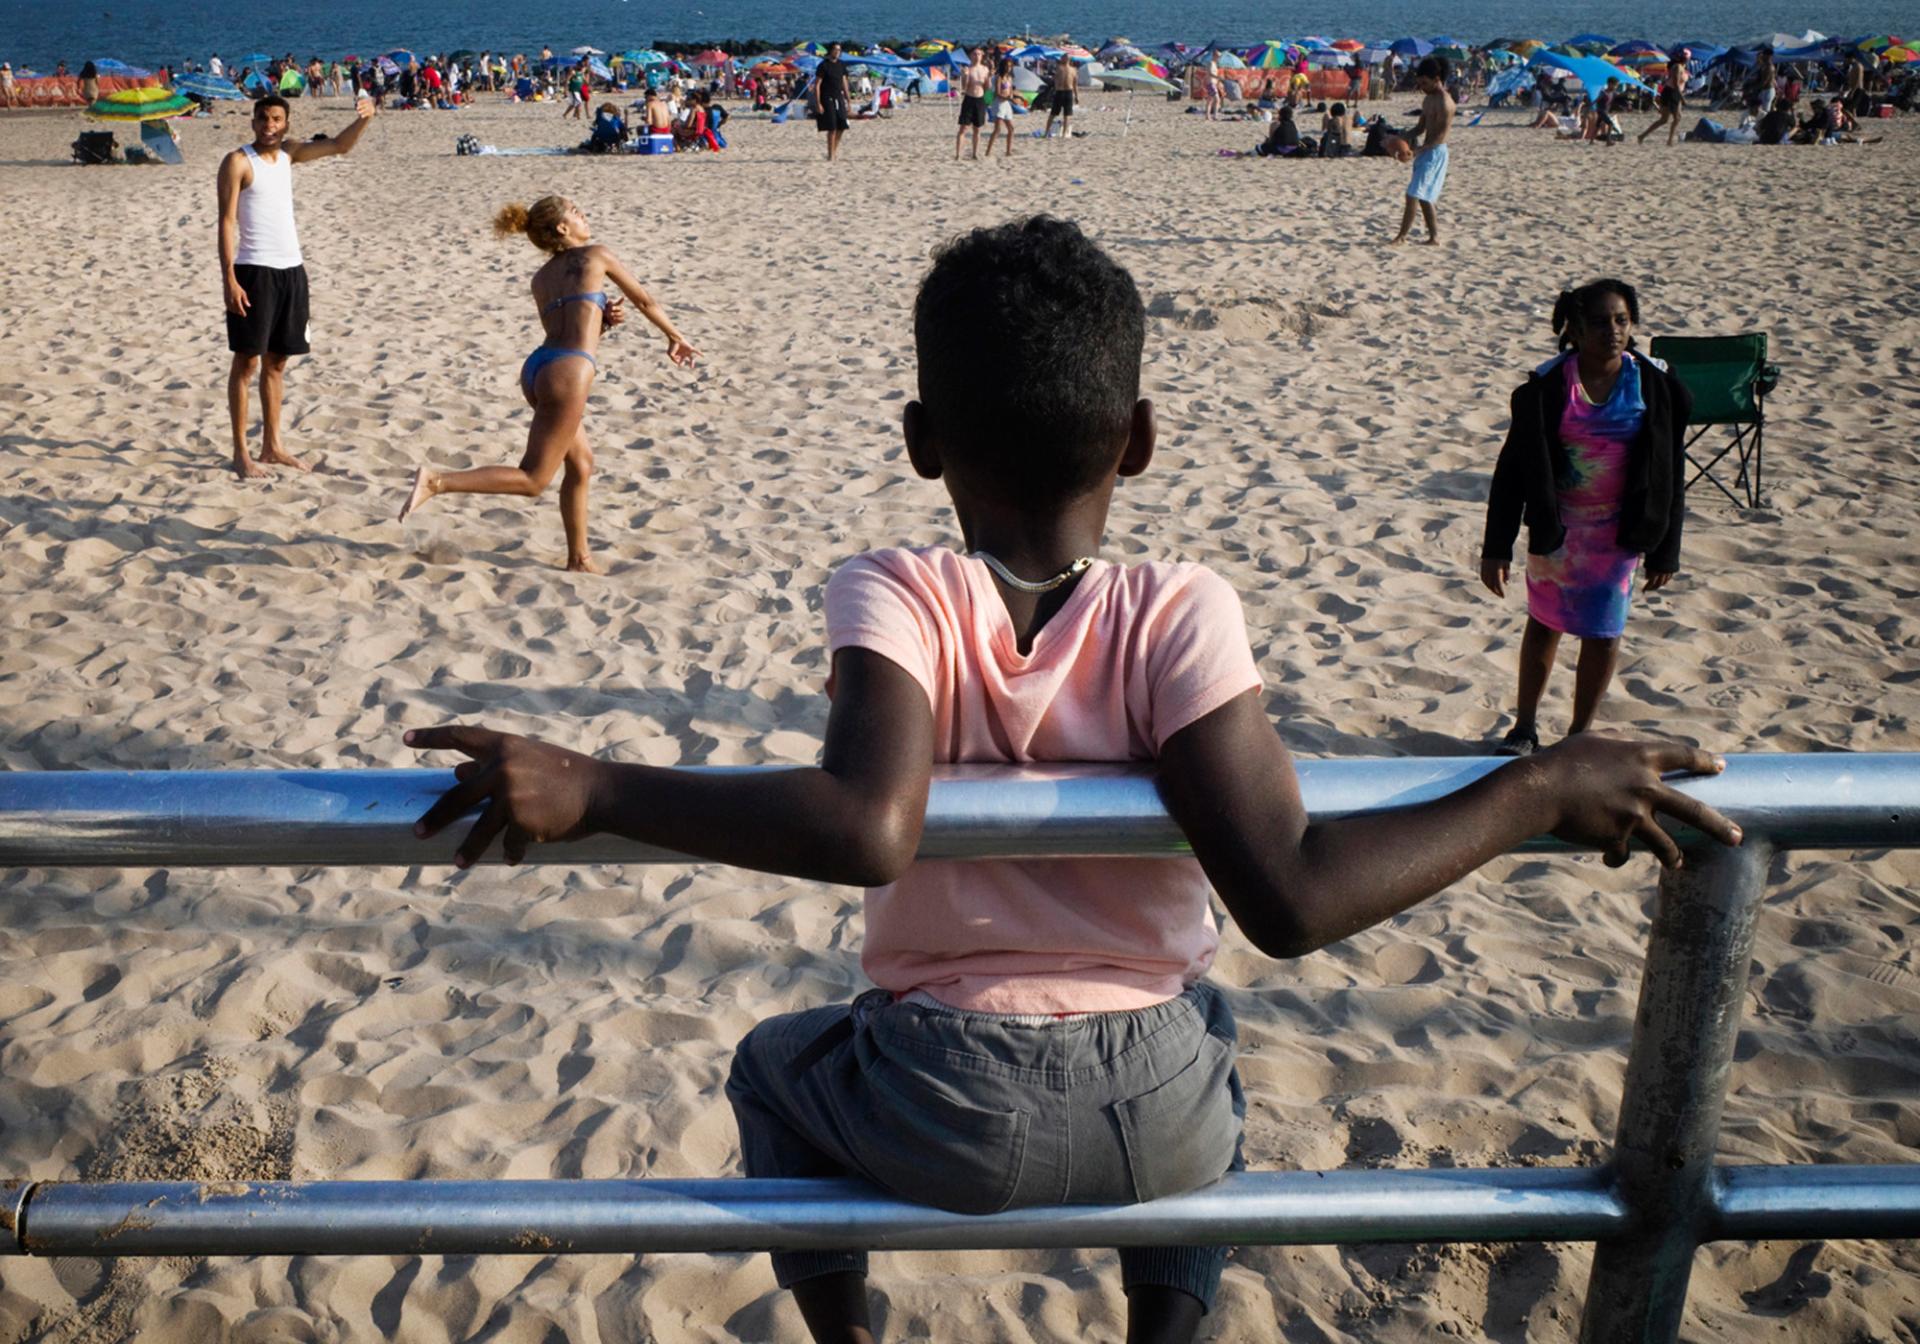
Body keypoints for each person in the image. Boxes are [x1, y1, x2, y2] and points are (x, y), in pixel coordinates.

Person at [406, 215, 1740, 1344]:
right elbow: (1288, 896)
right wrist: (1536, 789)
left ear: (922, 441)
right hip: (1152, 1113)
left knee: (768, 1064)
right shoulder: (1181, 610)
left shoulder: (894, 590)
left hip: (932, 1101)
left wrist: (596, 782)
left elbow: (873, 827)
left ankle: (846, 1331)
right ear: (1141, 438)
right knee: (1212, 1026)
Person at [397, 197, 698, 572]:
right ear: (562, 228)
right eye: (576, 211)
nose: (584, 214)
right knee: (533, 479)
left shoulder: (541, 279)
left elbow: (568, 329)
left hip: (539, 368)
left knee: (582, 464)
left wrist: (602, 321)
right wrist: (674, 336)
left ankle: (579, 559)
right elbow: (645, 300)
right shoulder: (597, 254)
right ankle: (437, 482)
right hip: (567, 374)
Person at [1480, 279, 1694, 754]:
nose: (1613, 331)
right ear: (1574, 330)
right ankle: (1525, 728)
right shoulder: (1548, 388)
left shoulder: (1654, 385)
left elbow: (1669, 475)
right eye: (1599, 322)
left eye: (1621, 320)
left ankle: (1580, 734)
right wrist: (1496, 548)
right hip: (1558, 528)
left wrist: (1666, 550)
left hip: (1621, 533)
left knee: (1604, 631)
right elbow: (1512, 471)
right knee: (1544, 622)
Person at [217, 93, 375, 480]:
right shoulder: (238, 161)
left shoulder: (290, 153)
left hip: (291, 271)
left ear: (285, 123)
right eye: (262, 119)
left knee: (277, 363)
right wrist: (229, 280)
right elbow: (226, 222)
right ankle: (242, 452)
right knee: (246, 363)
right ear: (253, 122)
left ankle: (272, 446)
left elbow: (339, 146)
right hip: (254, 271)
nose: (269, 125)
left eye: (276, 119)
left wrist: (366, 118)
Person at [1388, 56, 1453, 245]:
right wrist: (1401, 137)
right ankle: (1434, 237)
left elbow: (1440, 135)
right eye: (1420, 83)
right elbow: (1421, 128)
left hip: (1436, 152)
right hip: (1426, 150)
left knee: (1413, 194)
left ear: (1436, 78)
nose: (1422, 87)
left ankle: (1402, 236)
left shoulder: (1445, 103)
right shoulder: (1428, 100)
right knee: (1424, 197)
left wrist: (1418, 151)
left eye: (1425, 82)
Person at [1640, 48, 1689, 145]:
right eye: (1685, 57)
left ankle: (1644, 136)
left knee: (1671, 118)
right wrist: (1682, 98)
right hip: (1671, 92)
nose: (1686, 59)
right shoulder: (1678, 67)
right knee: (1669, 119)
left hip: (1674, 92)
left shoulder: (1683, 67)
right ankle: (1668, 140)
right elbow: (1675, 83)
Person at [814, 42, 850, 161]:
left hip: (838, 98)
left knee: (842, 126)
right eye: (835, 50)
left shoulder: (841, 65)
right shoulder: (823, 65)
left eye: (839, 50)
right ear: (830, 51)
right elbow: (817, 85)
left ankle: (834, 150)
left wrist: (848, 100)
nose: (837, 52)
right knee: (832, 128)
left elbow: (844, 83)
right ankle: (831, 155)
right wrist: (818, 103)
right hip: (827, 98)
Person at [956, 46, 990, 159]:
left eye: (979, 54)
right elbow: (964, 87)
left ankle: (975, 153)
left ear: (982, 56)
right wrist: (965, 77)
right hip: (969, 98)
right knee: (963, 128)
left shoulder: (985, 69)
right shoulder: (968, 69)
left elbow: (987, 87)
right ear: (970, 56)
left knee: (977, 128)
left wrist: (988, 100)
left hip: (980, 100)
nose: (976, 56)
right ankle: (958, 154)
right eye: (974, 54)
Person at [985, 57, 1018, 158]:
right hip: (998, 103)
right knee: (997, 129)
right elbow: (997, 93)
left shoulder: (1009, 78)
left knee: (1011, 128)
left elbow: (1011, 91)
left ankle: (1008, 151)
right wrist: (1009, 98)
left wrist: (1013, 97)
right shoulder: (999, 77)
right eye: (1007, 66)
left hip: (1007, 103)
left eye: (1010, 66)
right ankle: (988, 151)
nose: (1008, 68)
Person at [1044, 54, 1075, 139]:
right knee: (1053, 113)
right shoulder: (1058, 68)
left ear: (1067, 59)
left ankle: (1064, 133)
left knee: (1067, 115)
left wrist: (1076, 95)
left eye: (1063, 58)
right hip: (1059, 92)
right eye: (1062, 58)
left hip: (1068, 92)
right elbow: (1054, 79)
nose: (1062, 59)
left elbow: (1074, 83)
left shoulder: (1073, 70)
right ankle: (1046, 132)